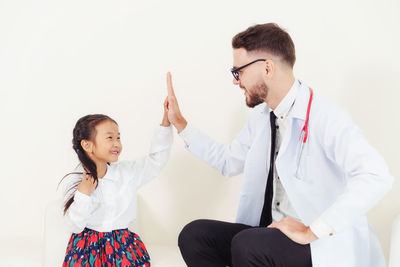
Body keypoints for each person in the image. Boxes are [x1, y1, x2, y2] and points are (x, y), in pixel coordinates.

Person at [164, 23, 393, 267]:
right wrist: (181, 124)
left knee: (248, 244)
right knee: (195, 236)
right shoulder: (263, 116)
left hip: (318, 245)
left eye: (237, 71)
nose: (236, 81)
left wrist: (312, 230)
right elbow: (228, 161)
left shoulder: (325, 116)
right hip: (268, 233)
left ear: (267, 67)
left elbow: (376, 176)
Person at [60, 101, 172, 266]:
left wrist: (166, 123)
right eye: (110, 138)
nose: (117, 144)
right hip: (86, 249)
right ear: (87, 145)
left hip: (123, 247)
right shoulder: (76, 181)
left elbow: (156, 161)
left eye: (118, 137)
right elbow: (74, 226)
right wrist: (83, 194)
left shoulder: (127, 173)